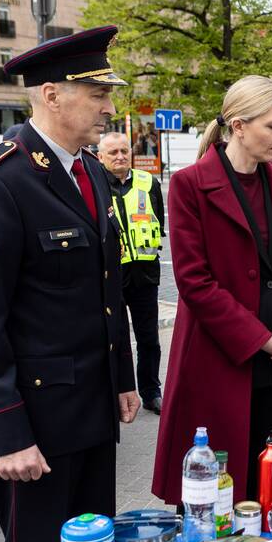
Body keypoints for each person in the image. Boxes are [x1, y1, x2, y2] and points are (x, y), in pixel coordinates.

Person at [0, 26, 140, 542]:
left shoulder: (91, 173)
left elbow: (106, 290)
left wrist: (122, 378)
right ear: (52, 95)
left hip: (93, 408)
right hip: (38, 424)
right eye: (98, 95)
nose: (109, 109)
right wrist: (6, 435)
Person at [151, 76, 272, 506]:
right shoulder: (190, 184)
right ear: (239, 126)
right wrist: (261, 339)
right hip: (220, 362)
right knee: (218, 495)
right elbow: (194, 282)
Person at [98, 132, 166, 414]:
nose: (120, 156)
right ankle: (114, 394)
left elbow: (158, 221)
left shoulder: (149, 182)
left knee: (149, 338)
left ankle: (151, 392)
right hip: (109, 276)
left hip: (145, 274)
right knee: (112, 339)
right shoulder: (95, 184)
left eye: (124, 151)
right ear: (100, 157)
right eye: (112, 152)